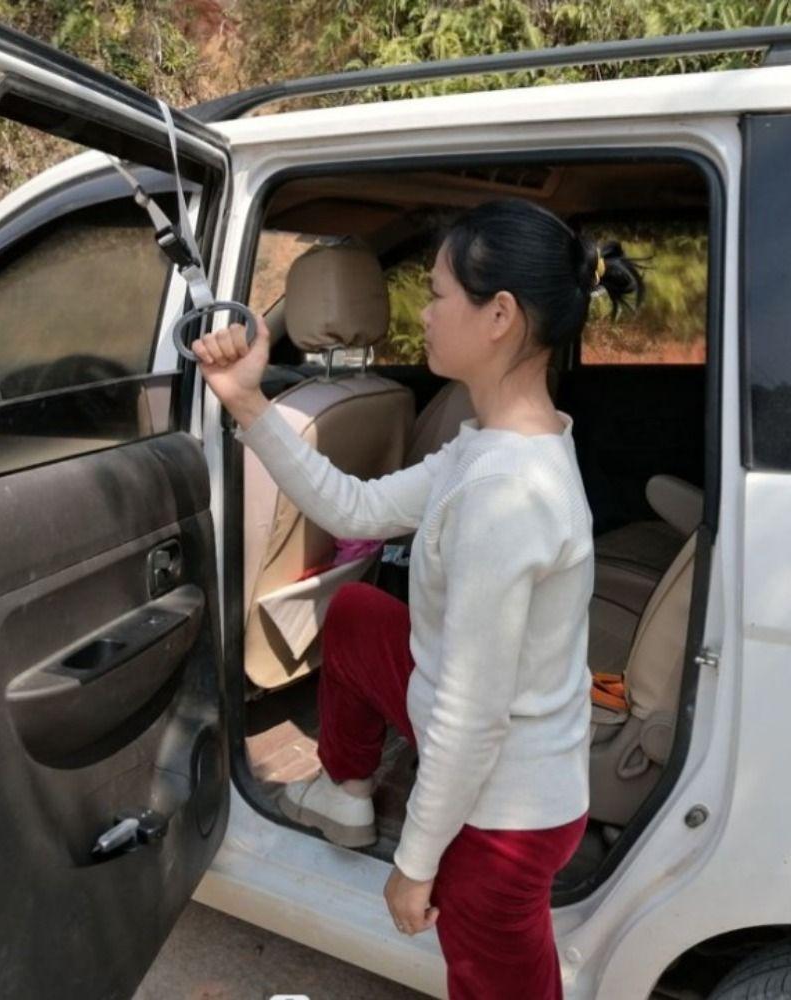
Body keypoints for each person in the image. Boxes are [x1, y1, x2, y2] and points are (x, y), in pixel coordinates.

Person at [190, 197, 647, 999]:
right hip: (514, 772)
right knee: (360, 613)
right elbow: (355, 510)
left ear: (499, 316)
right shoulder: (496, 445)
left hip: (500, 817)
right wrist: (249, 403)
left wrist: (415, 863)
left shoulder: (502, 495)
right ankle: (346, 791)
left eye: (437, 295)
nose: (424, 315)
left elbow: (471, 719)